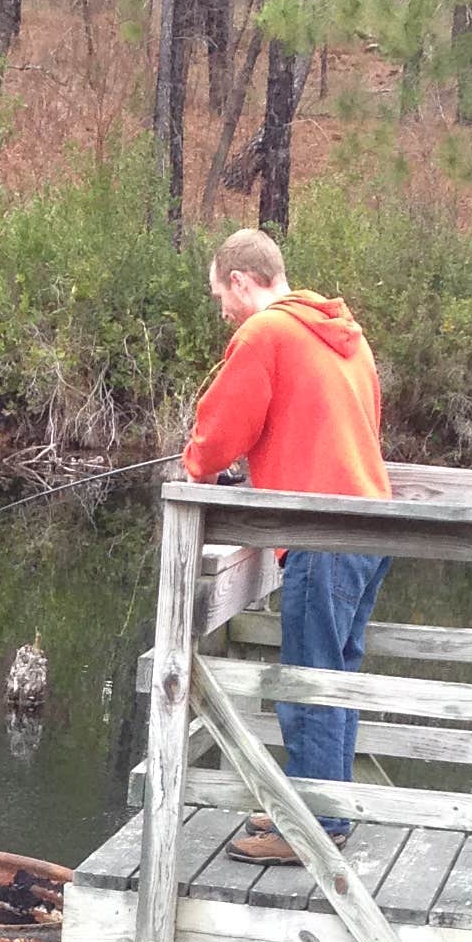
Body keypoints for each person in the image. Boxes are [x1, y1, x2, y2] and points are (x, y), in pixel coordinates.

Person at [181, 227, 390, 862]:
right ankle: (328, 809)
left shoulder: (267, 333)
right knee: (337, 674)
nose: (222, 310)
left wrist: (197, 469)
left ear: (243, 282)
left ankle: (315, 828)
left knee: (308, 680)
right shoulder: (345, 336)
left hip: (321, 534)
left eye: (221, 295)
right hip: (372, 528)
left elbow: (220, 428)